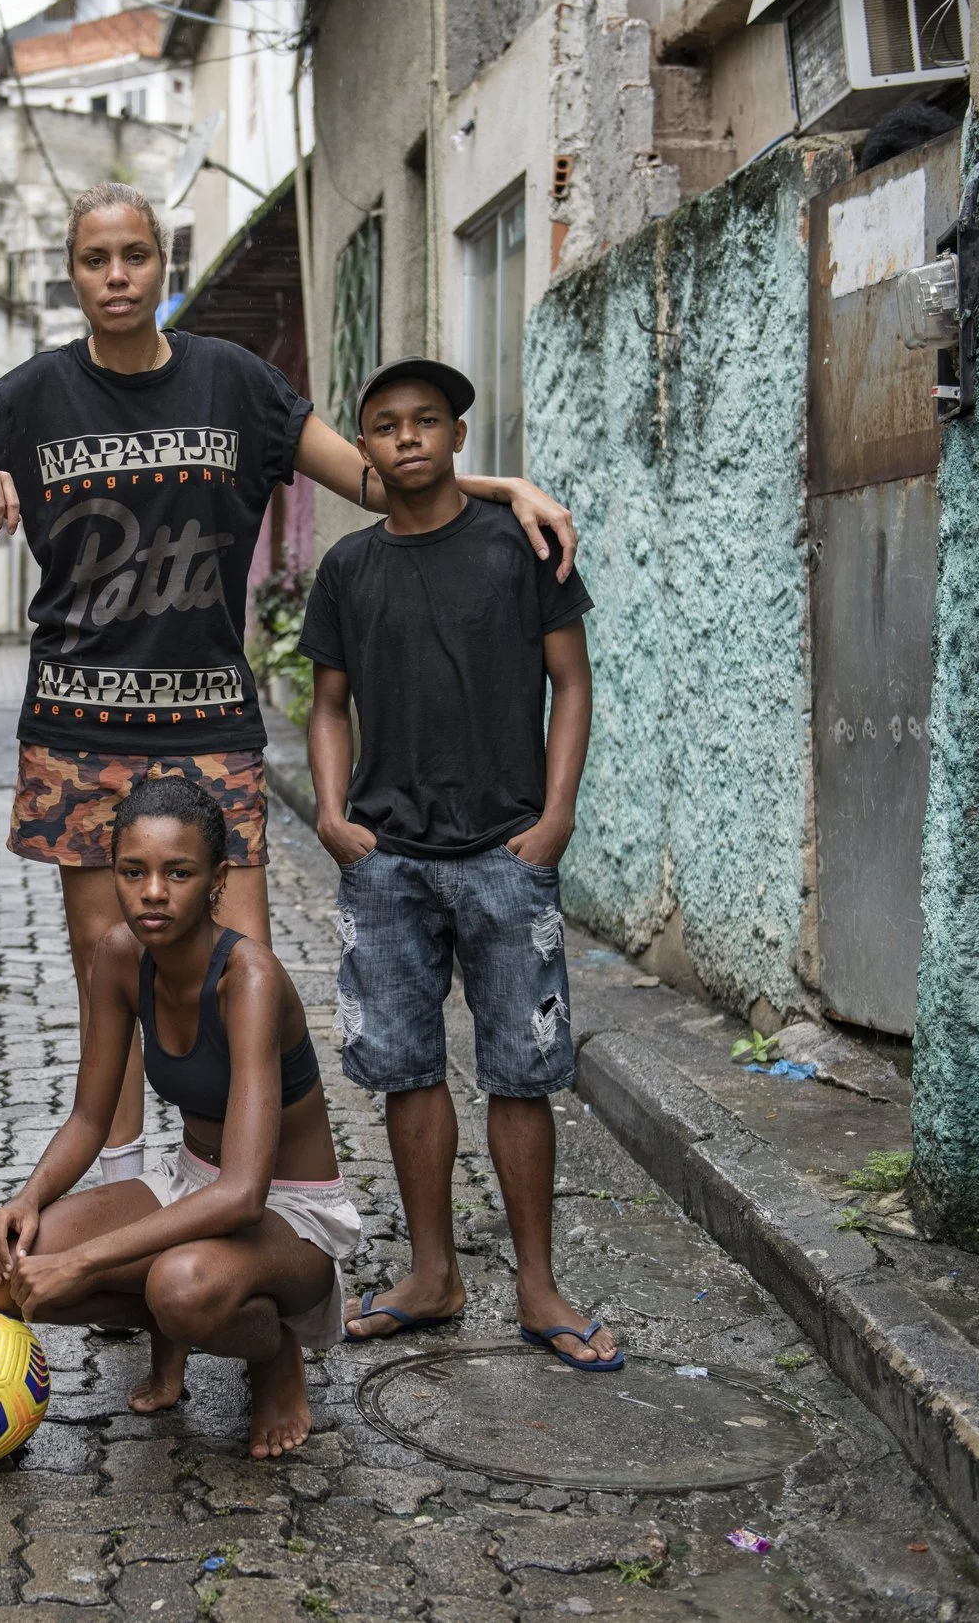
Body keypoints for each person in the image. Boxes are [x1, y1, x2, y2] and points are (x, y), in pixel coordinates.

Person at [0, 181, 583, 1190]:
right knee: (113, 979)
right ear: (73, 270)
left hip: (208, 727)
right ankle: (128, 1196)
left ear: (162, 264)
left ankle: (243, 1188)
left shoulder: (234, 382)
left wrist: (499, 486)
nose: (117, 275)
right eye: (96, 259)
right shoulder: (33, 392)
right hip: (79, 734)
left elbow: (372, 475)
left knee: (240, 977)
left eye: (134, 254)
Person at [298, 358, 618, 1369]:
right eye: (384, 424)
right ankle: (432, 1272)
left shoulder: (518, 546)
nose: (406, 439)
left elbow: (570, 683)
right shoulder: (348, 570)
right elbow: (327, 703)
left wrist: (556, 815)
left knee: (522, 1074)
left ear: (458, 436)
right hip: (386, 858)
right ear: (367, 446)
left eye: (426, 419)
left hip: (503, 850)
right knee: (405, 1071)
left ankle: (537, 1284)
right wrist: (333, 815)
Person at [0, 777, 363, 1458]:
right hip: (190, 1185)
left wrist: (84, 1260)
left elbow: (243, 1192)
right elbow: (90, 1118)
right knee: (7, 1272)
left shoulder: (250, 980)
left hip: (289, 1215)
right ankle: (168, 1330)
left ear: (216, 880)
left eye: (177, 872)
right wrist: (26, 1199)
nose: (153, 891)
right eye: (134, 871)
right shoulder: (121, 956)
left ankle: (274, 1356)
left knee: (179, 1285)